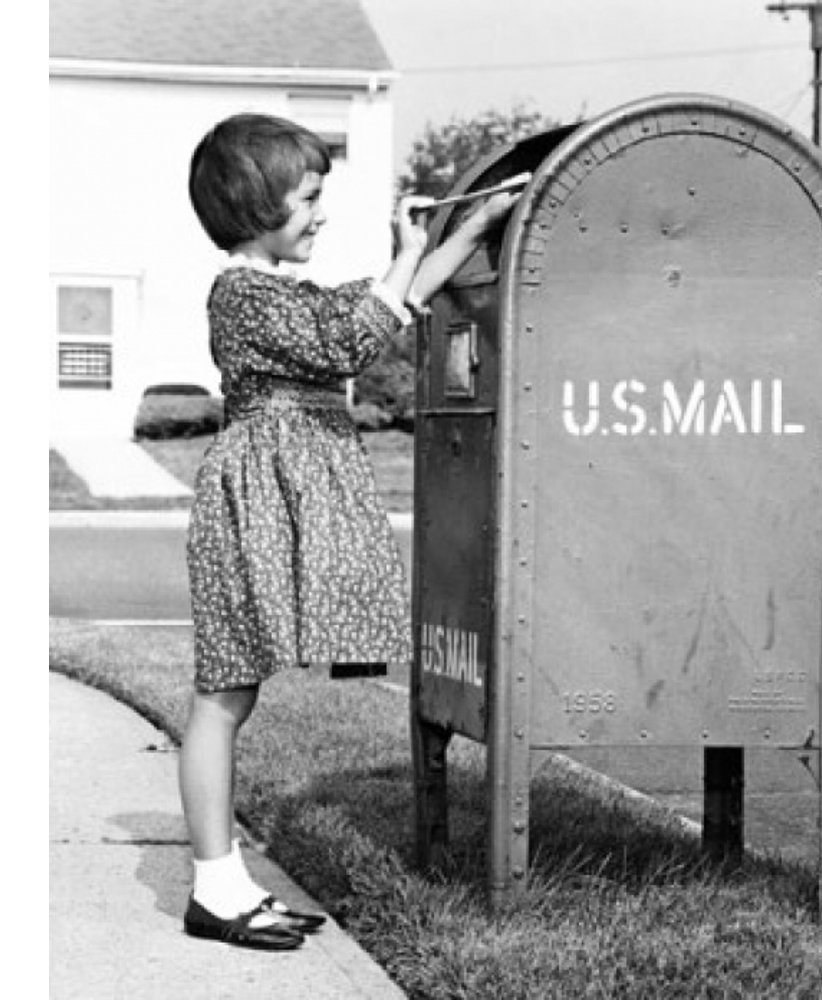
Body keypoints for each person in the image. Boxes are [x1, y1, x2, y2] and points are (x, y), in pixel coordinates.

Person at [179, 112, 519, 950]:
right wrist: (404, 253)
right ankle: (214, 891)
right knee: (223, 694)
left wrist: (465, 228)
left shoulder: (281, 292)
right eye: (308, 197)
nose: (320, 212)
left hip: (275, 493)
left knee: (233, 694)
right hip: (251, 500)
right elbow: (351, 339)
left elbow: (394, 304)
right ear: (255, 203)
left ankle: (222, 885)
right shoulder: (243, 292)